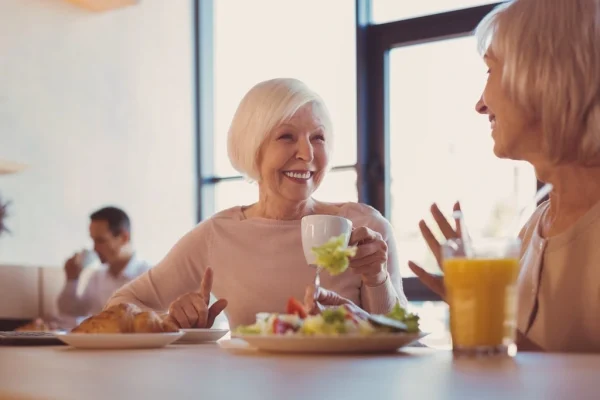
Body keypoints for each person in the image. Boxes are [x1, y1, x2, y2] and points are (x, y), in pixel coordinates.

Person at [106, 78, 408, 329]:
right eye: (287, 136)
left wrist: (376, 278)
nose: (307, 153)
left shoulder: (367, 229)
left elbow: (407, 335)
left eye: (318, 137)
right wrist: (172, 320)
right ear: (253, 149)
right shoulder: (218, 236)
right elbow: (122, 303)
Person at [408, 0, 600, 352]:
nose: (480, 104)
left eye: (490, 70)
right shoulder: (534, 226)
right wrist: (478, 305)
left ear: (542, 76)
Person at [57, 206, 151, 320]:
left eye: (100, 240)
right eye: (93, 240)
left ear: (124, 237)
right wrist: (72, 280)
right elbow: (71, 312)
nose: (94, 248)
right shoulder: (97, 277)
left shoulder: (148, 277)